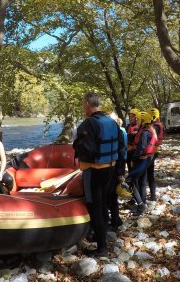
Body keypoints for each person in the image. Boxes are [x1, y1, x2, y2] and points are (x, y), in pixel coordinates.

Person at [72, 92, 123, 258]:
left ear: (87, 103)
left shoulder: (89, 124)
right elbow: (121, 147)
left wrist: (76, 143)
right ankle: (101, 236)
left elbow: (86, 149)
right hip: (110, 169)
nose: (82, 107)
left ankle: (101, 248)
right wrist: (120, 171)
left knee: (95, 206)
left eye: (82, 104)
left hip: (94, 170)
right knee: (103, 204)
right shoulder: (112, 123)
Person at [125, 111, 157, 216]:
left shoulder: (145, 132)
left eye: (138, 119)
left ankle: (140, 205)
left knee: (130, 181)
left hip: (140, 159)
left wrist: (133, 159)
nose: (137, 120)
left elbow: (141, 148)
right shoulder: (148, 130)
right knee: (142, 182)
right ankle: (142, 203)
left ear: (143, 121)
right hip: (145, 159)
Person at [105, 112, 127, 232]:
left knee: (111, 196)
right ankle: (115, 219)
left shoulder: (118, 132)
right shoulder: (116, 131)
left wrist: (120, 172)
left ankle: (114, 221)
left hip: (114, 168)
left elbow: (122, 153)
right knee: (111, 196)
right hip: (113, 168)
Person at [147, 108, 164, 201]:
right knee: (149, 173)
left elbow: (151, 138)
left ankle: (152, 195)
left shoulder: (156, 127)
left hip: (152, 152)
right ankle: (152, 195)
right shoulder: (157, 125)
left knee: (149, 174)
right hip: (154, 151)